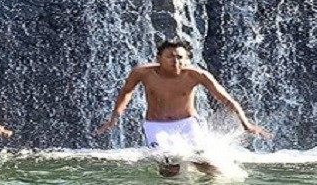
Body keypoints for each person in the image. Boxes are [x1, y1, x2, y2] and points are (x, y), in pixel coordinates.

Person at [95, 39, 272, 177]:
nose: (175, 61)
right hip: (156, 125)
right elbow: (126, 92)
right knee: (168, 165)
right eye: (170, 56)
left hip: (188, 124)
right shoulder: (142, 73)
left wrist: (246, 124)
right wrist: (114, 118)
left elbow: (227, 100)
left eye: (180, 57)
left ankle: (223, 179)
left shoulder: (197, 75)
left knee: (203, 162)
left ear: (187, 59)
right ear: (158, 58)